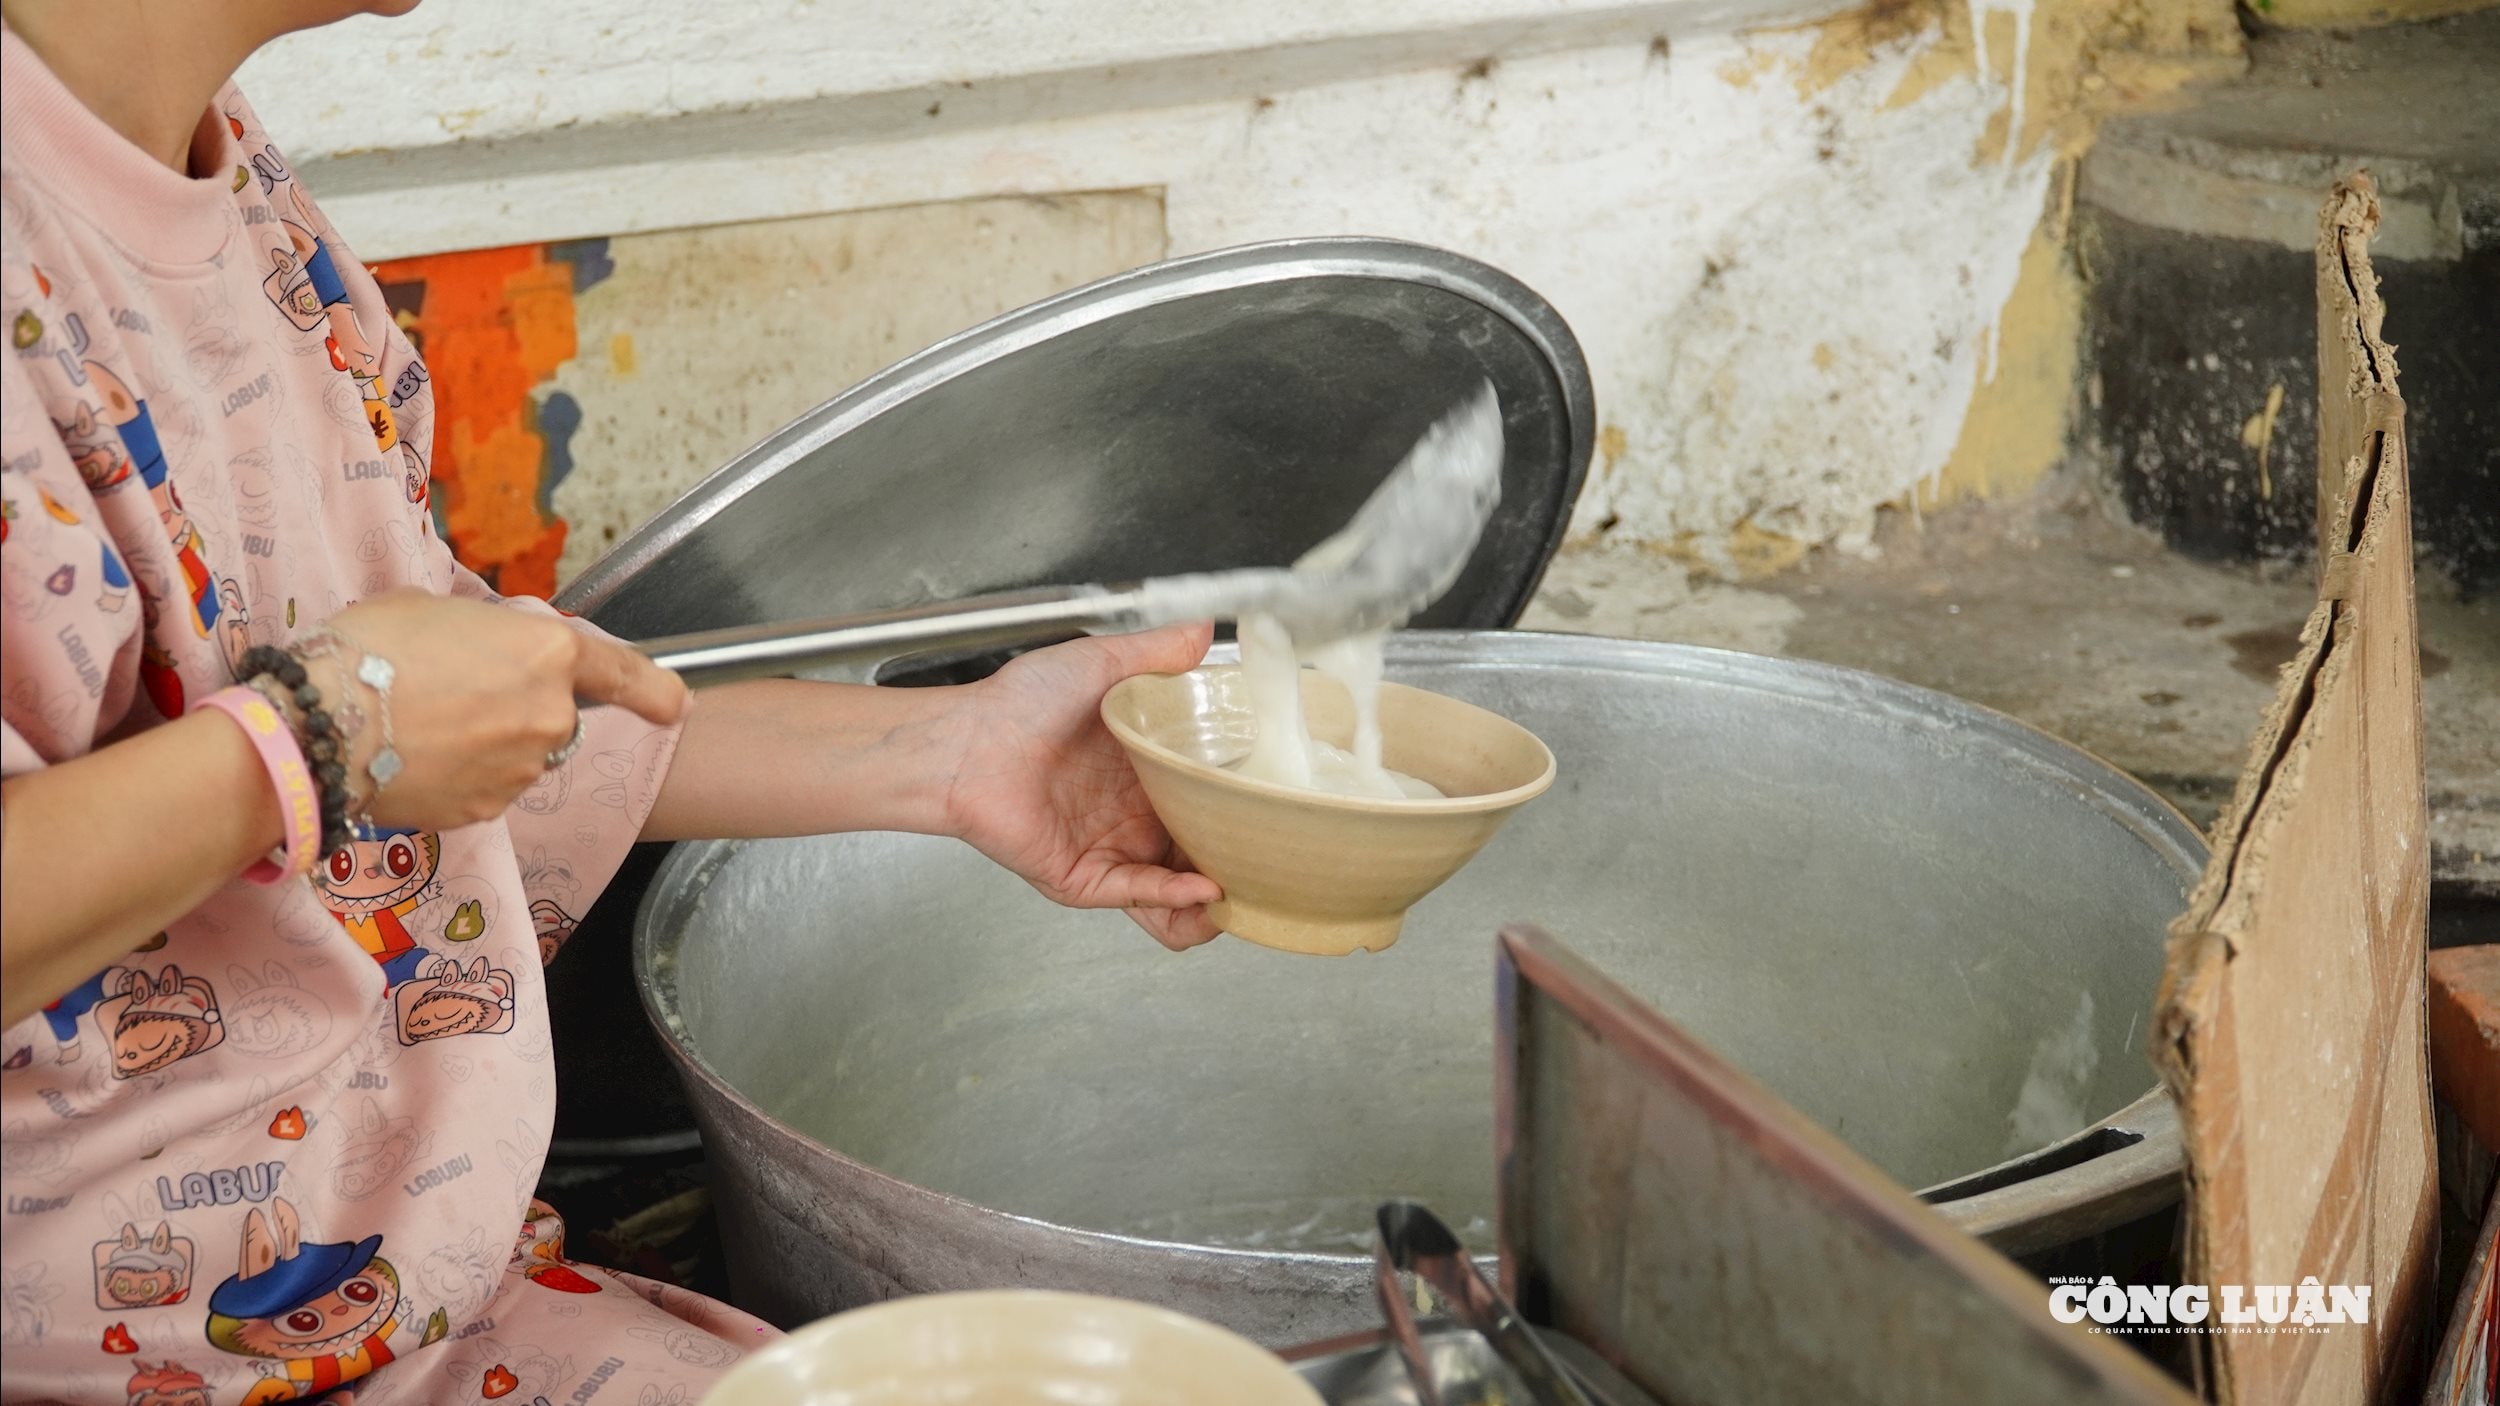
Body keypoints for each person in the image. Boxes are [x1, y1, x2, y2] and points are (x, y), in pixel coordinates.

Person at [0, 2, 1226, 1400]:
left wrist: (957, 755)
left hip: (416, 1311)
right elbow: (349, 731)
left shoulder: (221, 168)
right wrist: (322, 737)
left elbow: (448, 721)